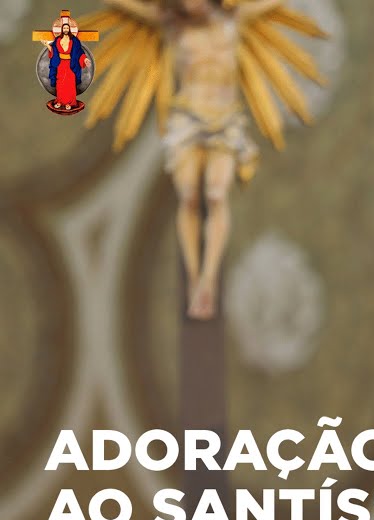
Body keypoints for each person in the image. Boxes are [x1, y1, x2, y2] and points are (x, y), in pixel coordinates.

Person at [100, 0, 309, 320]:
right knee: (188, 198)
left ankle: (208, 281)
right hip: (188, 118)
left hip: (224, 120)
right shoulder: (171, 26)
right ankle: (193, 278)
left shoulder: (235, 19)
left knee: (215, 194)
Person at [47, 19, 89, 112]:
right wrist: (47, 45)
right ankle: (60, 101)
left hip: (71, 64)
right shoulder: (58, 40)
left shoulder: (74, 40)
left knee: (70, 84)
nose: (65, 29)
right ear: (62, 29)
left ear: (69, 29)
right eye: (64, 28)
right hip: (61, 64)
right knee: (60, 83)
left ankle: (69, 103)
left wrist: (85, 59)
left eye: (67, 28)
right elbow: (53, 51)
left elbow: (79, 52)